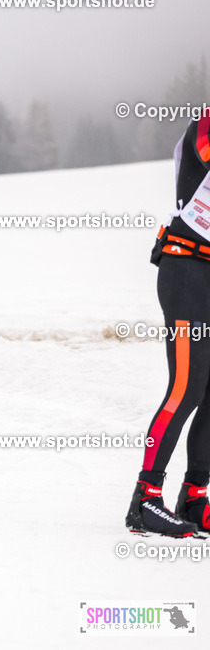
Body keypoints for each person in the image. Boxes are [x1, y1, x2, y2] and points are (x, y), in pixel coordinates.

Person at [127, 108, 210, 537]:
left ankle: (194, 497)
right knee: (186, 388)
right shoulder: (207, 119)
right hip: (186, 269)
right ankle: (145, 500)